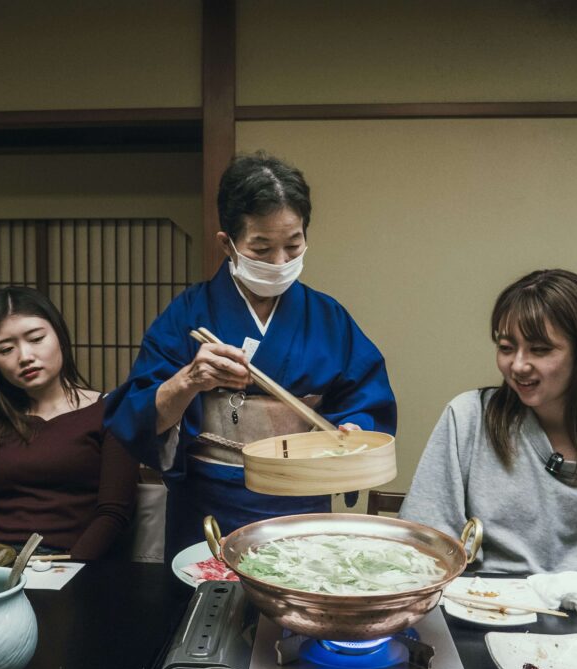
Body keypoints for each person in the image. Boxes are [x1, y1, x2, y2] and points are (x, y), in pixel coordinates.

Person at [104, 152, 397, 560]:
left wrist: (351, 431)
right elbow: (136, 414)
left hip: (300, 507)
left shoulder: (329, 318)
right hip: (207, 511)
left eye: (293, 246)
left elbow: (368, 400)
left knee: (297, 612)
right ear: (228, 243)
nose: (280, 262)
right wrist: (189, 379)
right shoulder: (188, 314)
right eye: (261, 248)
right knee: (204, 614)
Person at [400, 269, 577, 576]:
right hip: (471, 610)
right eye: (506, 348)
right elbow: (425, 545)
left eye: (540, 350)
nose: (518, 365)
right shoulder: (468, 417)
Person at [0, 286, 139, 560]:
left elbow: (114, 513)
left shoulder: (112, 411)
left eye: (36, 338)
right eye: (6, 349)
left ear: (59, 336)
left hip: (76, 566)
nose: (25, 356)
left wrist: (69, 568)